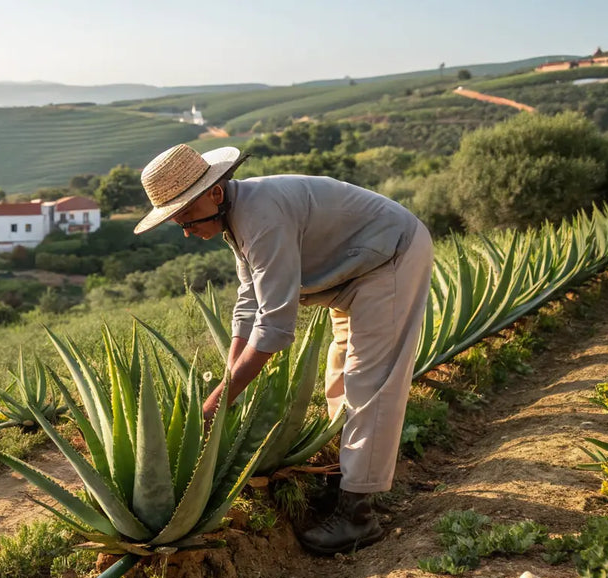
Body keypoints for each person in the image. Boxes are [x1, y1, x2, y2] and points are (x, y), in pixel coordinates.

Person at [135, 144, 433, 555]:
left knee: (369, 382)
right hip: (350, 273)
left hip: (390, 258)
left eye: (186, 215)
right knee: (339, 376)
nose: (185, 230)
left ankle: (358, 515)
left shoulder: (261, 217)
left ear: (214, 193)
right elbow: (249, 299)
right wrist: (230, 373)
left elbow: (275, 325)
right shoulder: (235, 217)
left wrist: (215, 406)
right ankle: (347, 480)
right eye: (176, 221)